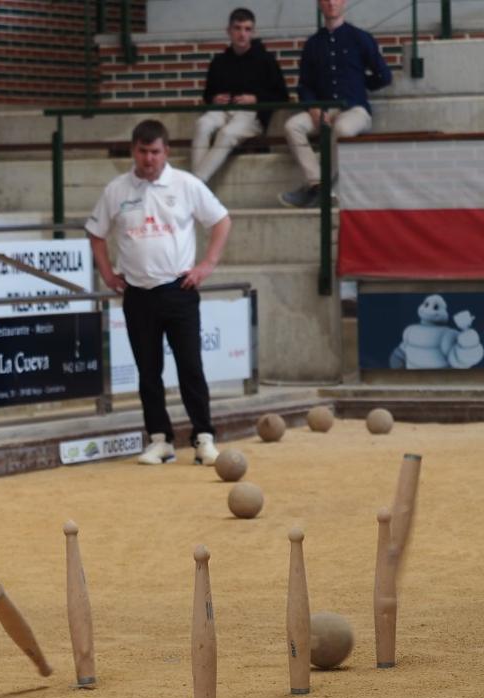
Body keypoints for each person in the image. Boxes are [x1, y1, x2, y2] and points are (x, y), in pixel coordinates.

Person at [86, 119, 231, 466]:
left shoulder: (185, 184)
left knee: (190, 366)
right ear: (133, 151)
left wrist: (206, 265)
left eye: (155, 151)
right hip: (137, 293)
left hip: (179, 289)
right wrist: (107, 272)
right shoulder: (116, 190)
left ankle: (203, 437)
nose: (148, 158)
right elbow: (96, 233)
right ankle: (160, 439)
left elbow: (221, 220)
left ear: (166, 151)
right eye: (142, 151)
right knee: (148, 370)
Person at [278, 0, 391, 208]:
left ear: (344, 2)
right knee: (292, 126)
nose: (331, 3)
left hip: (354, 110)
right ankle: (318, 185)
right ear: (319, 4)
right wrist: (313, 107)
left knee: (341, 129)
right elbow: (304, 85)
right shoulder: (313, 44)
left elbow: (384, 76)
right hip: (323, 109)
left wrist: (359, 84)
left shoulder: (360, 38)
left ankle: (321, 187)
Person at [191, 7, 289, 183]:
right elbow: (207, 94)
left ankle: (196, 183)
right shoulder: (219, 61)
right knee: (202, 124)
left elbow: (282, 95)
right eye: (237, 28)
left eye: (247, 29)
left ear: (253, 32)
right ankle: (197, 186)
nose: (242, 34)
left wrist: (256, 99)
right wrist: (214, 98)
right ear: (228, 31)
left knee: (227, 134)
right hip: (222, 111)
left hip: (251, 114)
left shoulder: (266, 59)